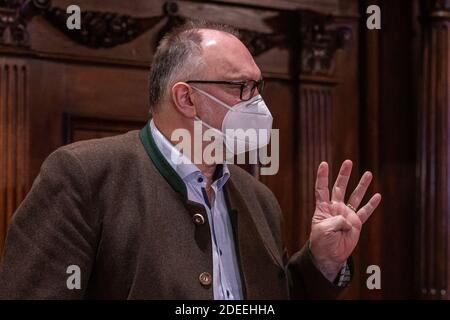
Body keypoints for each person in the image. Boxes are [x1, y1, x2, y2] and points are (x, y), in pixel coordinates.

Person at [0, 21, 381, 299]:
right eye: (241, 88)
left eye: (258, 88)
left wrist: (323, 261)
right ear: (186, 98)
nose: (258, 104)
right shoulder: (85, 175)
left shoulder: (258, 198)